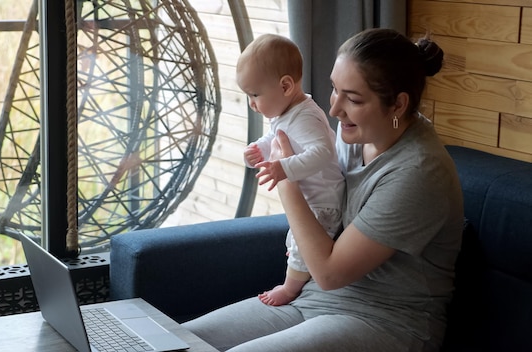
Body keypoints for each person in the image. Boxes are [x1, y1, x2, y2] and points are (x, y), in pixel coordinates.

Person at [182, 28, 464, 352]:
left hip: (386, 321)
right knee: (178, 341)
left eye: (354, 99)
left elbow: (329, 273)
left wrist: (285, 175)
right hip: (313, 298)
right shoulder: (356, 137)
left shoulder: (418, 172)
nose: (334, 110)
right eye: (334, 89)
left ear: (398, 105)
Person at [238, 33, 345, 306]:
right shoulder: (286, 114)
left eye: (255, 94)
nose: (252, 103)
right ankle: (302, 269)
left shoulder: (306, 116)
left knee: (300, 247)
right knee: (294, 242)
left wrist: (283, 168)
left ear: (285, 85)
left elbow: (322, 153)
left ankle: (289, 288)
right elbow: (277, 140)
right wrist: (258, 150)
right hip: (310, 203)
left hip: (324, 203)